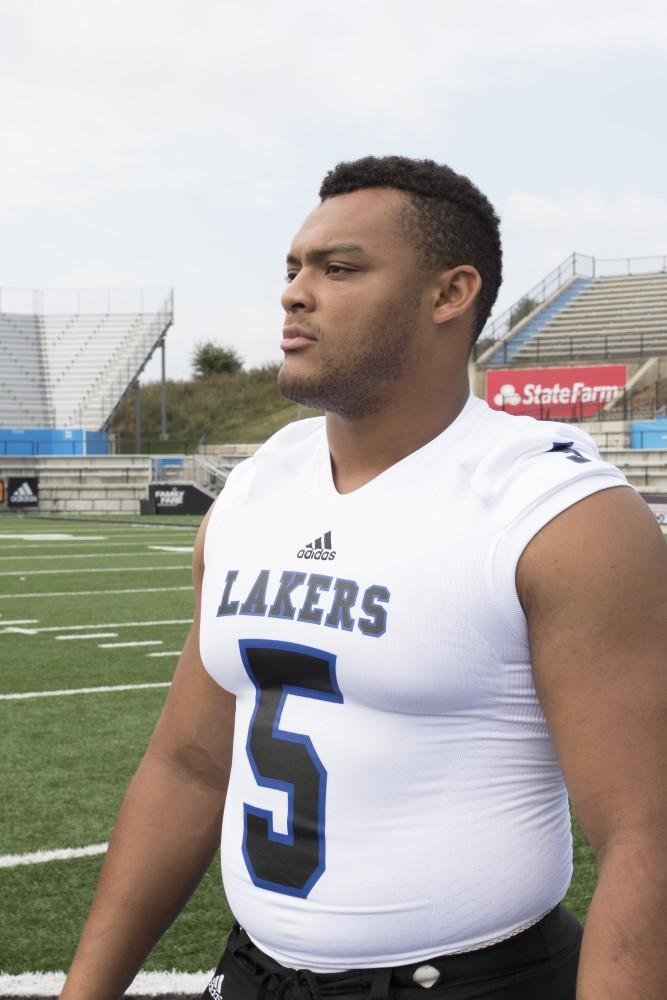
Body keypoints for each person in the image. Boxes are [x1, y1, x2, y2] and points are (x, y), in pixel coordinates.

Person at [61, 157, 667, 1000]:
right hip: (254, 975)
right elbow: (189, 768)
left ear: (449, 294)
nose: (294, 293)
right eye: (292, 268)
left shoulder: (554, 513)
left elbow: (645, 839)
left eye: (338, 268)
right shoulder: (251, 493)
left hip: (471, 981)